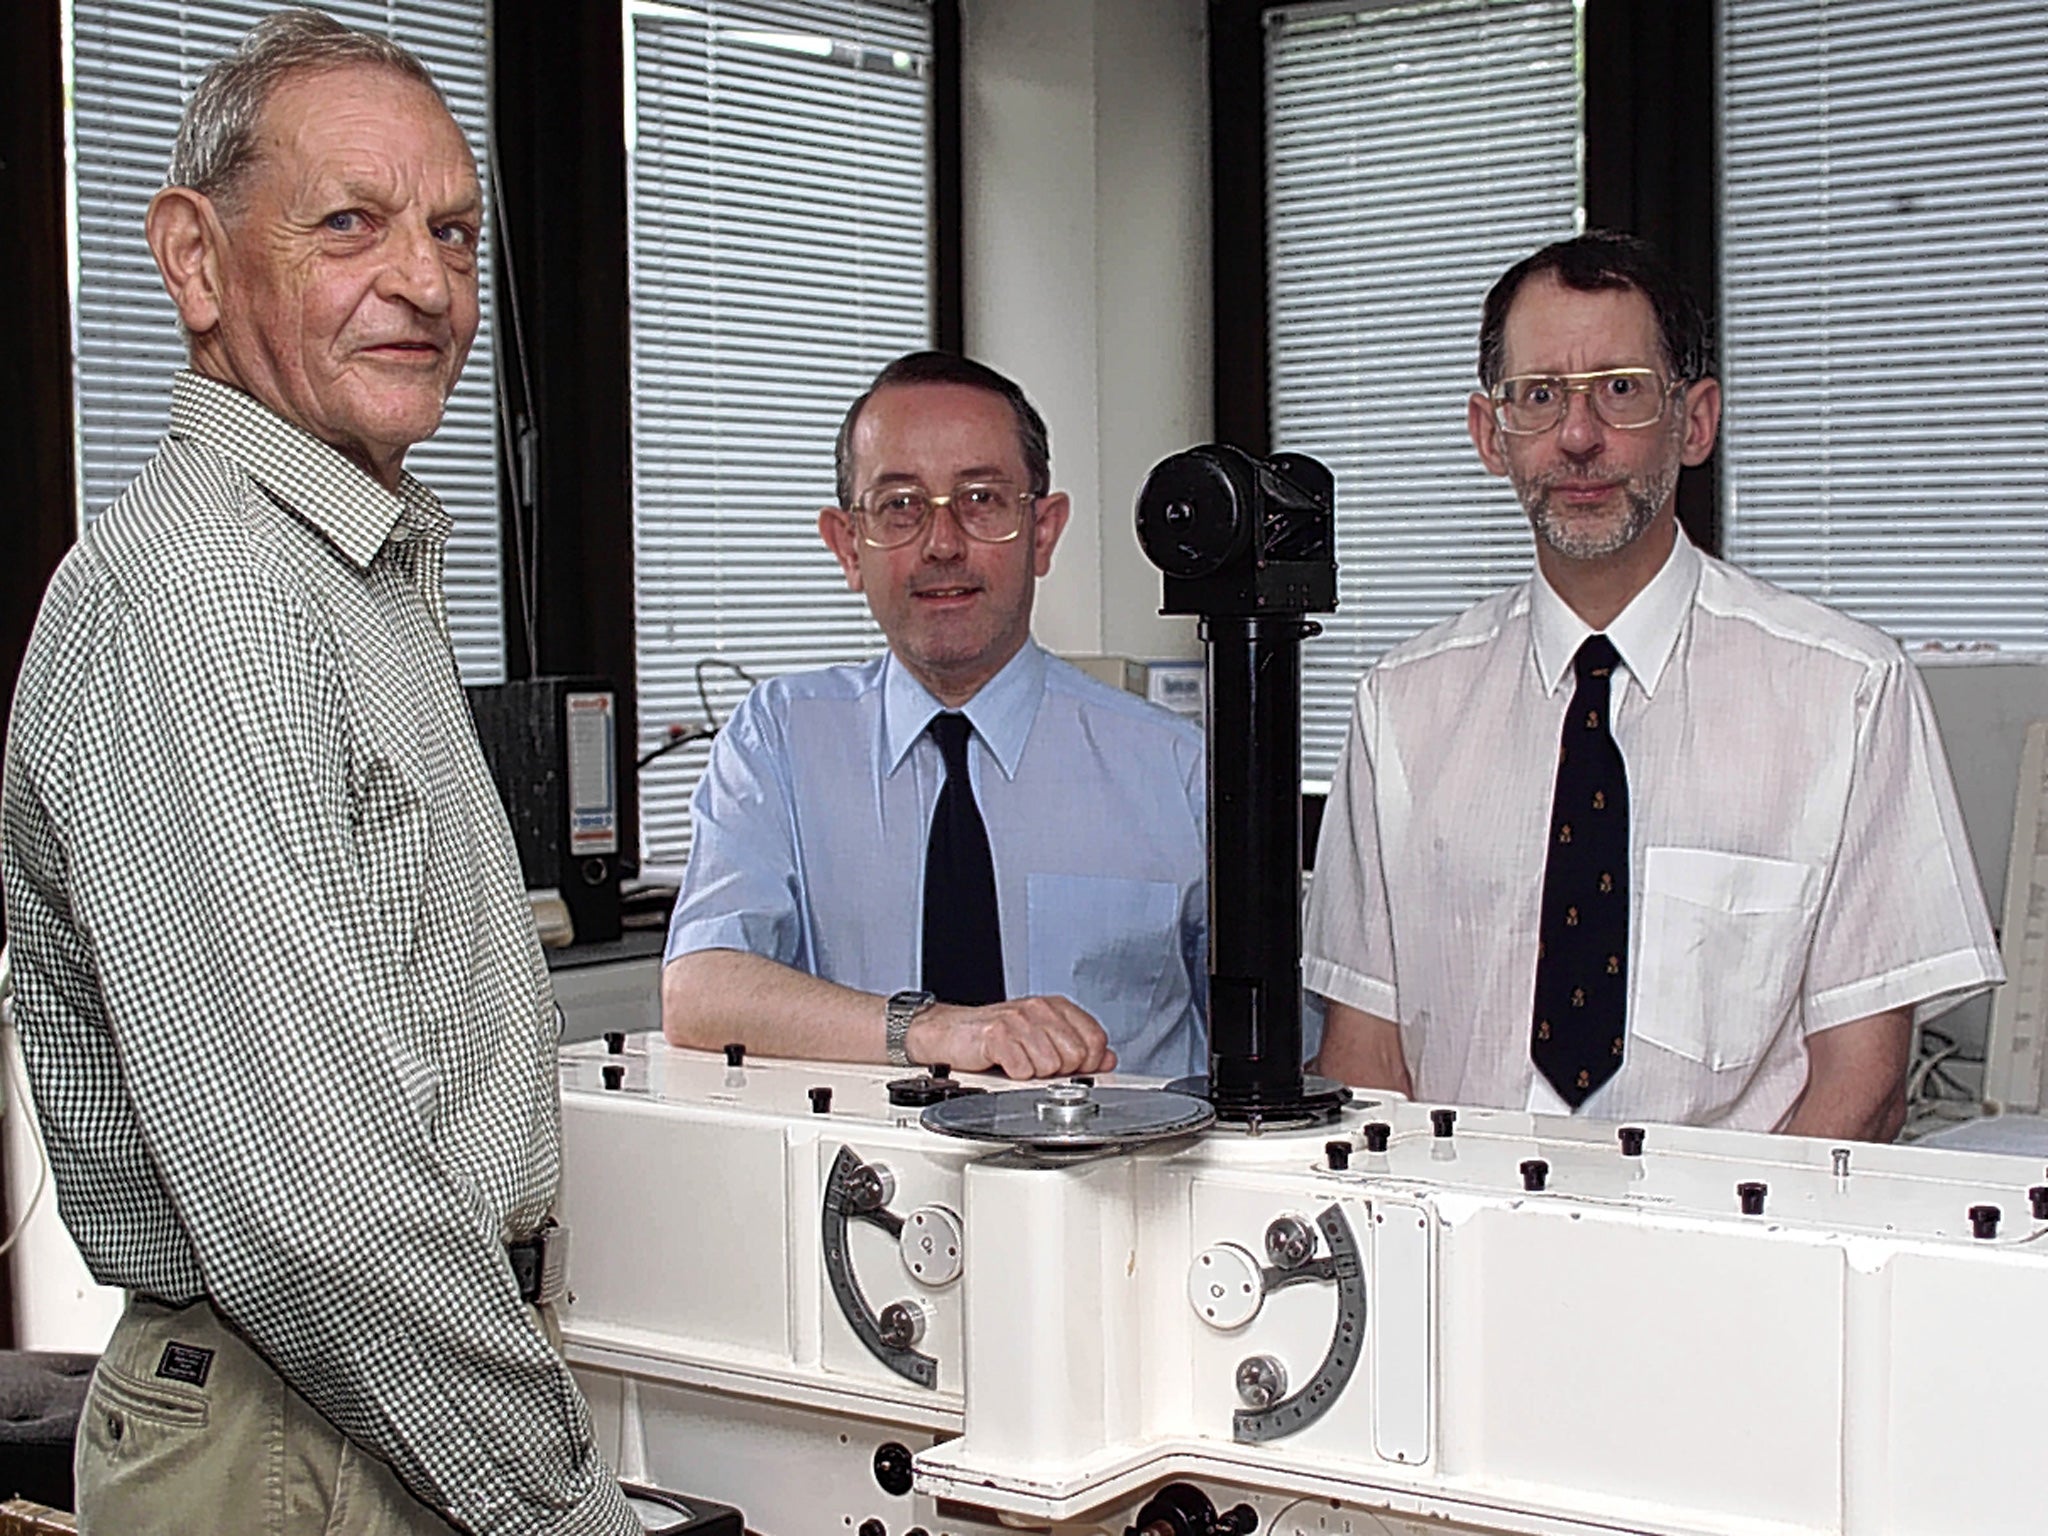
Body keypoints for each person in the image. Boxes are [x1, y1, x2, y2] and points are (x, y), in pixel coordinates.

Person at [1, 14, 637, 1535]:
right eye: (349, 223)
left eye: (452, 232)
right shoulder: (211, 597)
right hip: (301, 1439)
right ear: (196, 262)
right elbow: (322, 1210)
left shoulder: (346, 569)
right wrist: (564, 1512)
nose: (424, 283)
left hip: (368, 1410)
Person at [1303, 230, 2002, 1139]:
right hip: (1461, 1254)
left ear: (1696, 420)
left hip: (1734, 1255)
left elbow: (1861, 1085)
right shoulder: (1401, 707)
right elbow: (1366, 1060)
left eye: (1621, 391)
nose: (1579, 436)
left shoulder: (1847, 693)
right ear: (1490, 434)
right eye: (1541, 396)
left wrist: (1718, 1271)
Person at [661, 351, 1207, 1081]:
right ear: (847, 546)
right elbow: (700, 992)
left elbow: (1281, 1048)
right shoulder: (780, 741)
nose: (943, 544)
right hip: (863, 1183)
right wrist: (935, 1030)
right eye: (900, 506)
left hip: (1124, 1186)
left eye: (981, 499)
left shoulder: (1177, 766)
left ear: (1042, 532)